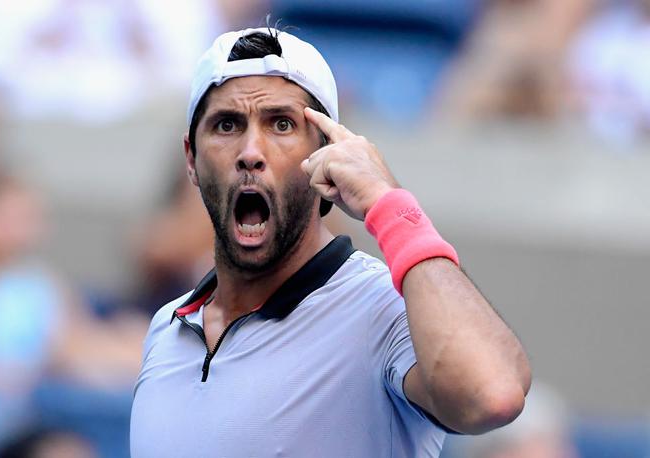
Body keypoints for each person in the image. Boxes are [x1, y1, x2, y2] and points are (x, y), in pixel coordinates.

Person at [130, 26, 531, 457]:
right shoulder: (167, 328)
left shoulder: (383, 308)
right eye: (227, 125)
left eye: (281, 124)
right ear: (192, 159)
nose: (250, 151)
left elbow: (493, 395)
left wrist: (389, 204)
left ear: (326, 153)